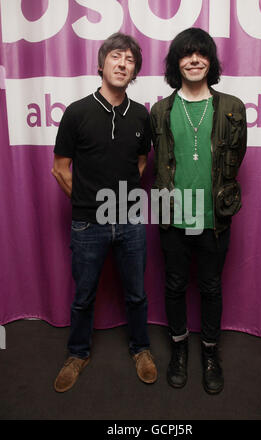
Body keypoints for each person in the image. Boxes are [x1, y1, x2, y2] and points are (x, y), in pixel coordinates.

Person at [52, 32, 157, 393]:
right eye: (116, 57)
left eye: (129, 60)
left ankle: (141, 349)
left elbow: (142, 161)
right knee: (83, 295)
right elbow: (59, 168)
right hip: (87, 223)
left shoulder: (142, 115)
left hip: (130, 220)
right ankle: (77, 354)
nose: (122, 63)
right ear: (101, 64)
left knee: (137, 293)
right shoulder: (77, 112)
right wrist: (87, 199)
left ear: (134, 72)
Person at [150, 28, 247, 394]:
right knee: (174, 286)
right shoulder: (160, 110)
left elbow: (235, 159)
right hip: (172, 217)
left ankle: (209, 353)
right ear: (177, 63)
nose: (194, 60)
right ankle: (178, 350)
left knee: (210, 287)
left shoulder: (232, 107)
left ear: (210, 61)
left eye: (201, 54)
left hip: (214, 219)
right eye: (186, 54)